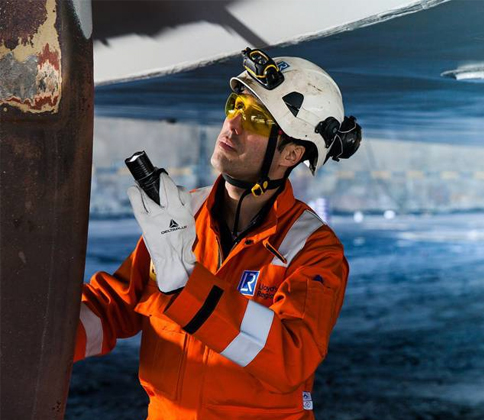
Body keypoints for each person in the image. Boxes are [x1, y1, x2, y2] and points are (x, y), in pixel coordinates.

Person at [73, 48, 362, 420]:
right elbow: (115, 309)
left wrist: (186, 286)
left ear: (290, 154)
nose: (233, 123)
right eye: (235, 104)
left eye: (256, 118)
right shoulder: (181, 217)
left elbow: (292, 359)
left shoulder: (313, 250)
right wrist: (35, 335)